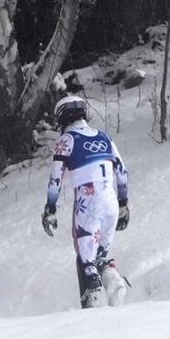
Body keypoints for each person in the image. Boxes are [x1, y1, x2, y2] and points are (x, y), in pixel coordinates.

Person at [41, 95, 130, 308]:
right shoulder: (104, 137)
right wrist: (123, 203)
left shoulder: (66, 140)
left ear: (62, 117)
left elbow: (56, 179)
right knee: (100, 256)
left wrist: (50, 209)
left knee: (85, 259)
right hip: (110, 201)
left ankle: (93, 302)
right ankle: (113, 282)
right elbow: (122, 171)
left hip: (87, 201)